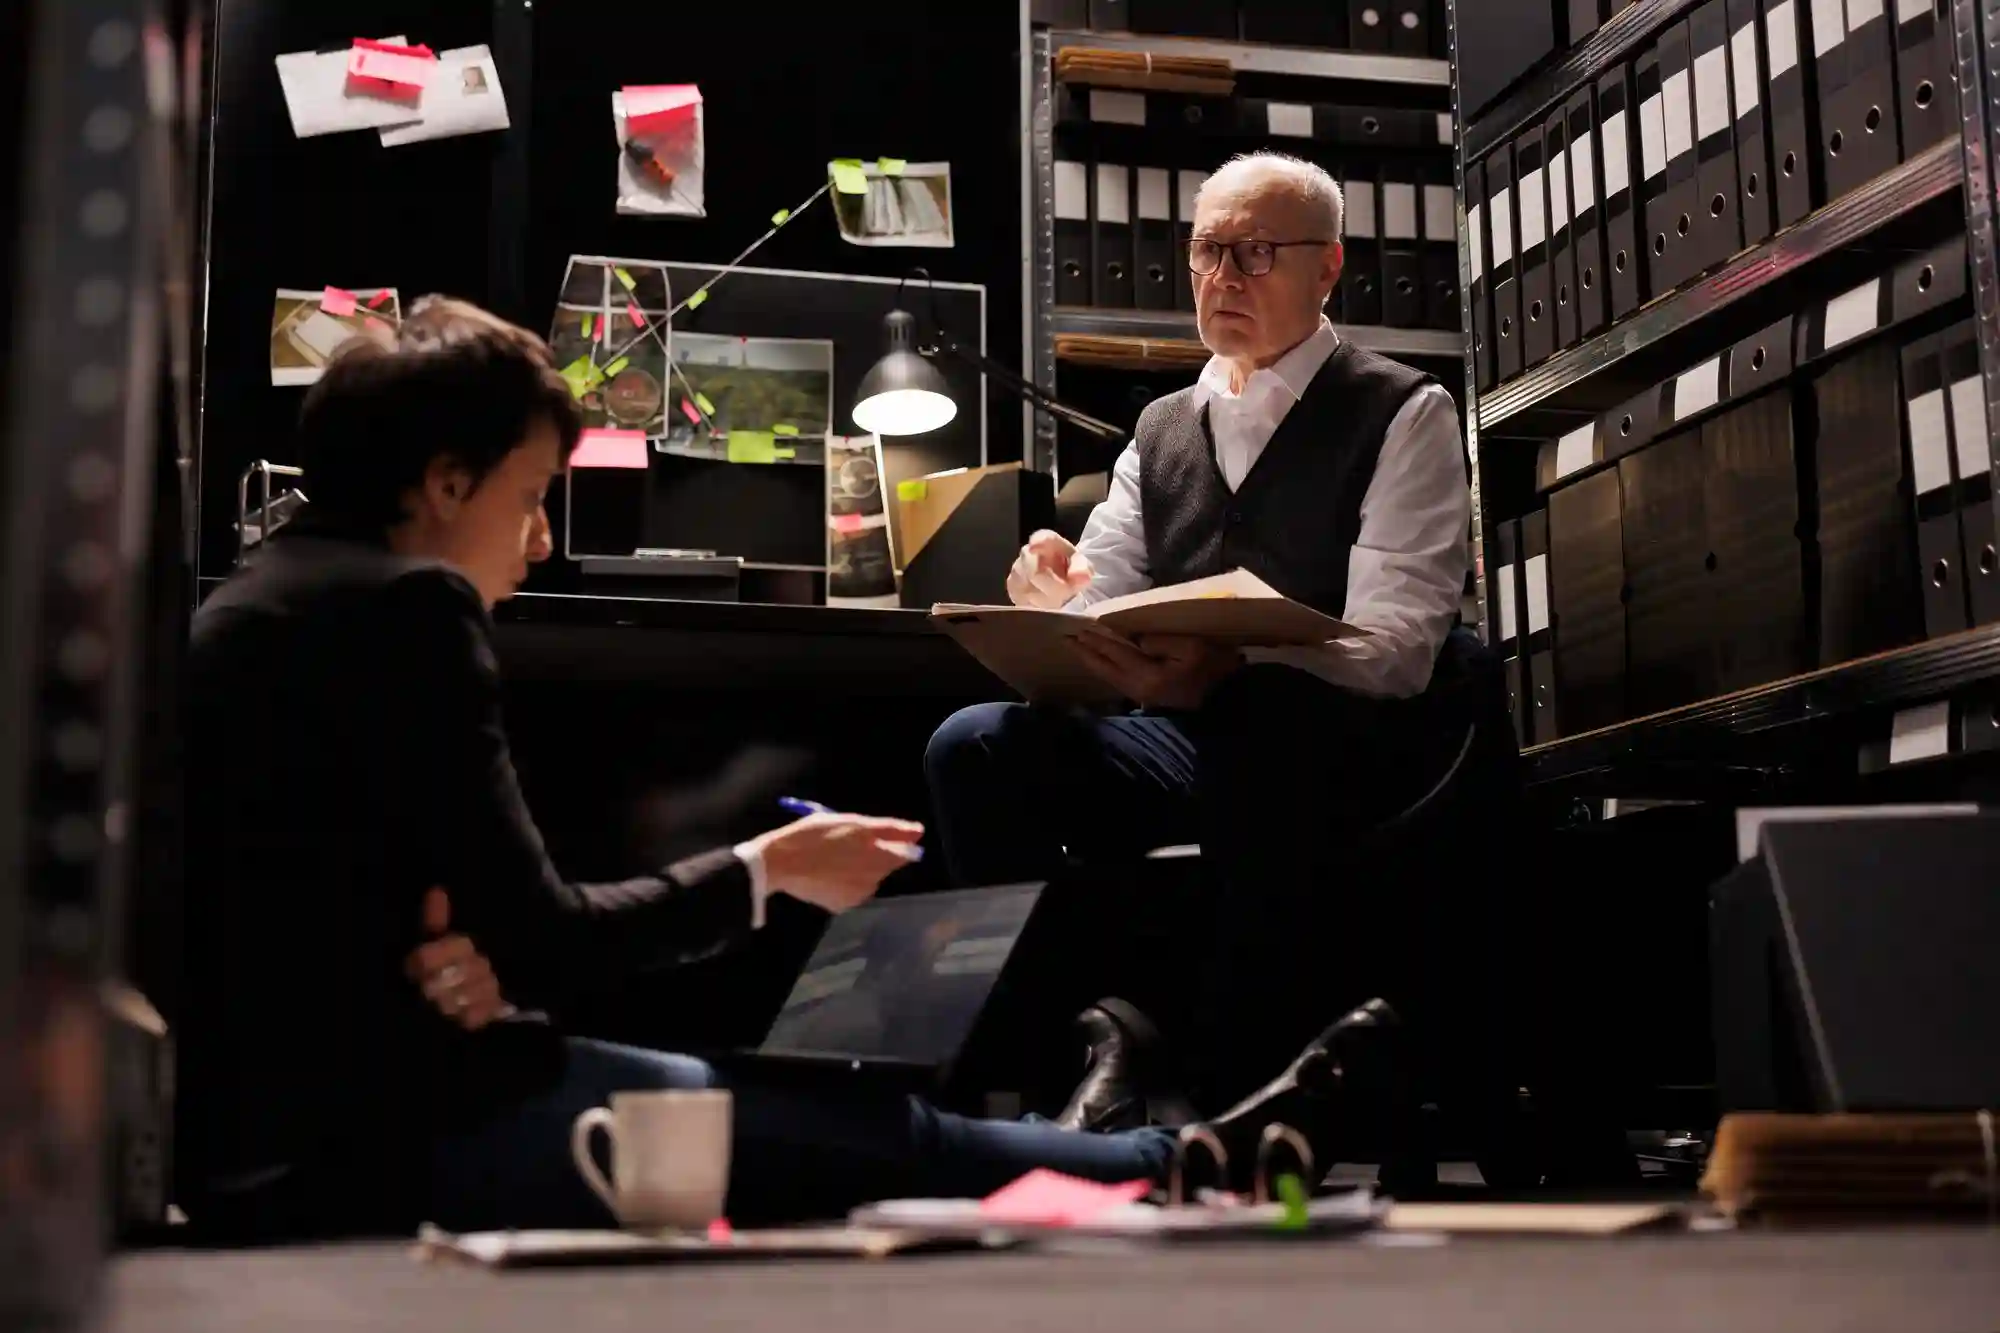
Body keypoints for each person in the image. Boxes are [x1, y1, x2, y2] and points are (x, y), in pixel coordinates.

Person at [177, 298, 1179, 1239]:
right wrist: (766, 868)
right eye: (530, 497)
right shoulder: (412, 610)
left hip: (251, 1146)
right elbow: (547, 939)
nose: (541, 540)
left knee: (828, 1121)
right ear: (444, 483)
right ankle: (1186, 1159)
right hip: (391, 1131)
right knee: (864, 1132)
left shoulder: (247, 607)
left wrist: (446, 959)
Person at [924, 152, 1480, 1122]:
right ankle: (1075, 1058)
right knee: (974, 744)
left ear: (1327, 268)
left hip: (1344, 742)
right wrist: (1055, 600)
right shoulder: (1159, 426)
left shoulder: (1402, 410)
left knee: (1255, 716)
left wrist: (1233, 668)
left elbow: (1395, 646)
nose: (1222, 278)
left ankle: (1224, 1087)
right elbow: (1108, 593)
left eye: (1255, 253)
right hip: (1188, 729)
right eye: (1206, 251)